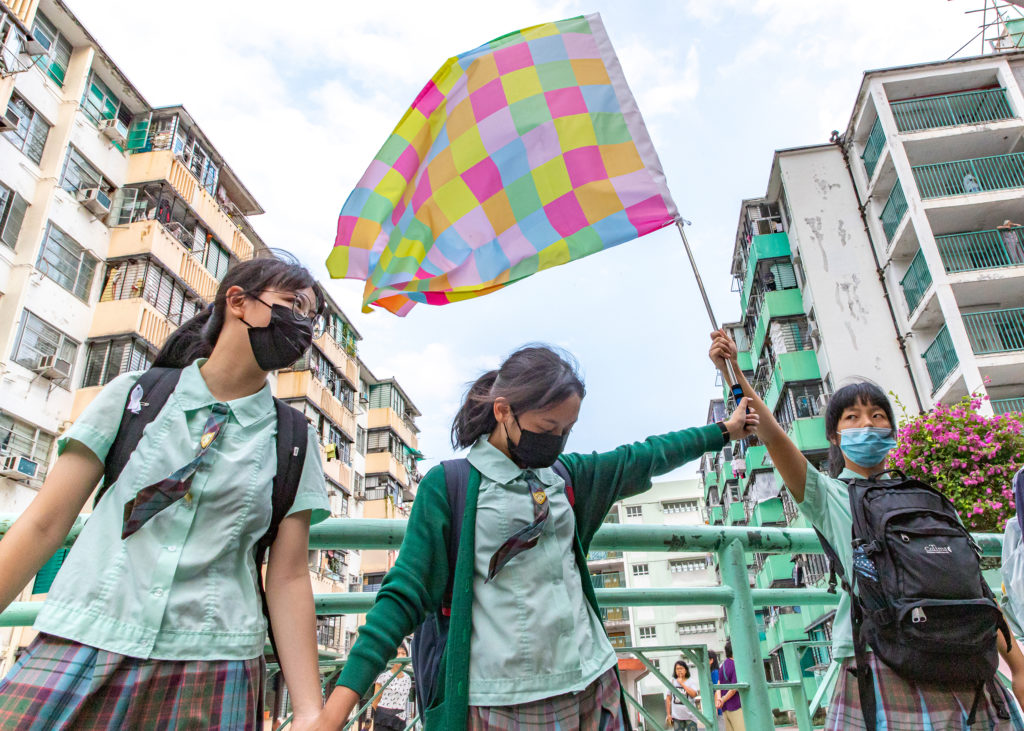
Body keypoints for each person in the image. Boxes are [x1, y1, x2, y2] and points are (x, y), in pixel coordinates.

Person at [319, 345, 758, 730]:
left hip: (595, 682)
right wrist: (336, 710)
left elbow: (645, 455)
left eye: (567, 430)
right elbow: (404, 594)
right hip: (503, 698)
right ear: (503, 410)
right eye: (548, 429)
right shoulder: (449, 485)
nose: (558, 441)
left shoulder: (566, 476)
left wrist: (724, 431)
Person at [0, 255, 331, 730]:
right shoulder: (135, 394)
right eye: (293, 305)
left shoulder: (295, 439)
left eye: (310, 317)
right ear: (237, 302)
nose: (303, 326)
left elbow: (289, 577)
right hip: (85, 637)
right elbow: (44, 523)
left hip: (215, 663)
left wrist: (308, 711)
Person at [709, 328, 1024, 730]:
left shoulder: (931, 499)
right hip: (899, 662)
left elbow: (973, 587)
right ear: (835, 437)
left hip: (944, 663)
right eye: (852, 417)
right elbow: (770, 430)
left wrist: (1018, 667)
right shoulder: (828, 494)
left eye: (877, 416)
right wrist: (732, 368)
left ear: (891, 432)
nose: (867, 424)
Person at [372, 645, 412, 730]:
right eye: (397, 654)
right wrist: (384, 713)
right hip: (384, 717)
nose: (401, 656)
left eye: (403, 653)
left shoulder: (408, 678)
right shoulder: (384, 676)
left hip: (400, 719)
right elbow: (375, 701)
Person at [715, 641, 744, 731]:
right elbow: (733, 689)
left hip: (725, 709)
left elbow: (718, 684)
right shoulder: (736, 665)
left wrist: (720, 700)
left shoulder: (722, 666)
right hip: (736, 706)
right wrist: (722, 699)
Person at [665, 660, 699, 731]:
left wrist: (682, 684)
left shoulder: (691, 681)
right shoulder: (672, 681)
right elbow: (668, 698)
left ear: (686, 670)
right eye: (677, 669)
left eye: (681, 668)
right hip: (677, 716)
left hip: (690, 716)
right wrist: (668, 714)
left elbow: (694, 694)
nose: (679, 670)